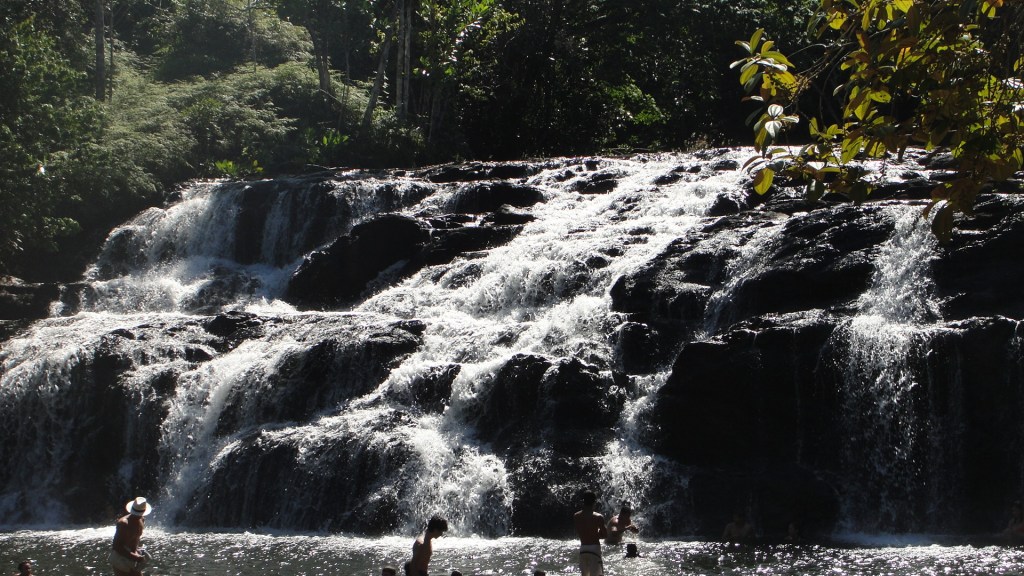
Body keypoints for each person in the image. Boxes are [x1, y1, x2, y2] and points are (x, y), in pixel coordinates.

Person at [110, 496, 152, 576]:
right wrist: (135, 556)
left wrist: (138, 551)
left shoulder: (142, 520)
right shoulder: (123, 524)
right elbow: (116, 546)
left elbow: (135, 538)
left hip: (133, 555)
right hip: (121, 558)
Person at [573, 490, 607, 576]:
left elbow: (580, 531)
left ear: (583, 501)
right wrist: (597, 534)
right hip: (594, 548)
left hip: (583, 548)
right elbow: (605, 535)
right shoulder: (598, 517)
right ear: (594, 502)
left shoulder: (576, 516)